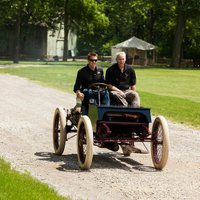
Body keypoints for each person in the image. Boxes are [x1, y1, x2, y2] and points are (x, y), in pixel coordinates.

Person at [106, 51, 143, 155]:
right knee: (117, 95)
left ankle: (135, 114)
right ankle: (126, 110)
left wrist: (132, 94)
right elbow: (109, 85)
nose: (121, 61)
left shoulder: (130, 69)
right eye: (119, 59)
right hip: (114, 91)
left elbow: (133, 85)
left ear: (125, 59)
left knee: (135, 95)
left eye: (123, 59)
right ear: (116, 60)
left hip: (126, 91)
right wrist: (120, 92)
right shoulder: (110, 70)